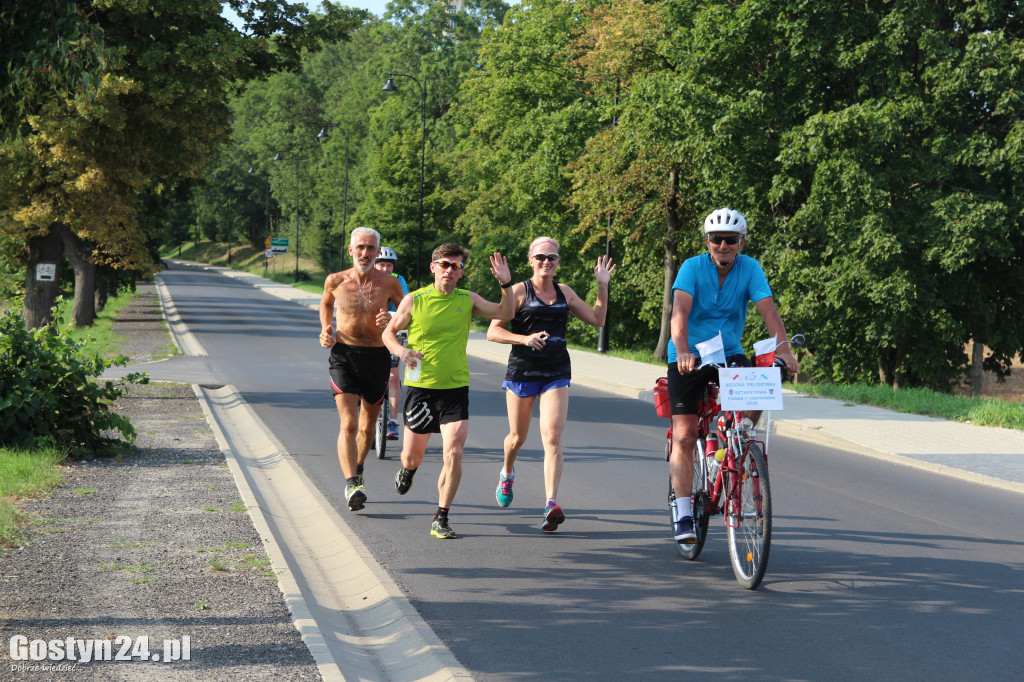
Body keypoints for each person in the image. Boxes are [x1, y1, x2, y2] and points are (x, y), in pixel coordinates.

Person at [667, 208, 798, 544]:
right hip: (690, 356)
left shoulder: (750, 268)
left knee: (762, 386)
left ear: (741, 241)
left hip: (728, 354)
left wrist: (784, 350)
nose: (723, 245)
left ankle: (736, 437)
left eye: (730, 239)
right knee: (683, 434)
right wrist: (682, 350)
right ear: (707, 241)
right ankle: (683, 512)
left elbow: (768, 310)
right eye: (716, 239)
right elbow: (679, 313)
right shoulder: (692, 267)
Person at [382, 243, 514, 539]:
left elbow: (507, 311)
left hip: (455, 388)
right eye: (444, 264)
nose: (450, 271)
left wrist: (505, 283)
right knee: (411, 457)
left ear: (461, 272)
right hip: (421, 389)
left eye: (456, 266)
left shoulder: (468, 300)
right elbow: (387, 332)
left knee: (454, 451)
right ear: (433, 268)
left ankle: (441, 516)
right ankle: (409, 471)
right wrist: (401, 352)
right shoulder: (415, 300)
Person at [486, 237, 615, 532]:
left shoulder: (564, 292)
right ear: (531, 260)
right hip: (522, 372)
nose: (546, 262)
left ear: (558, 262)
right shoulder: (519, 290)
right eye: (541, 257)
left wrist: (602, 285)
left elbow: (597, 319)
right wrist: (524, 339)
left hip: (556, 371)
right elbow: (494, 332)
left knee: (553, 436)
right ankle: (507, 472)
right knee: (517, 438)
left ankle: (550, 503)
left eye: (552, 257)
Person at [319, 227, 406, 512]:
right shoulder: (336, 280)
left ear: (376, 250)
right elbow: (326, 303)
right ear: (351, 249)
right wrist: (326, 329)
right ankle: (351, 483)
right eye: (361, 248)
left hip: (377, 356)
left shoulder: (390, 283)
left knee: (368, 426)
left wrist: (391, 319)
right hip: (343, 354)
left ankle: (358, 470)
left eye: (371, 248)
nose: (366, 253)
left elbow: (405, 316)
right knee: (349, 423)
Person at [374, 247, 409, 440]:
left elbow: (405, 305)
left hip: (393, 331)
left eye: (389, 265)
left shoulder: (398, 280)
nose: (386, 269)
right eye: (381, 264)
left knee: (393, 376)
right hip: (370, 333)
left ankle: (393, 421)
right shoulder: (368, 279)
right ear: (374, 264)